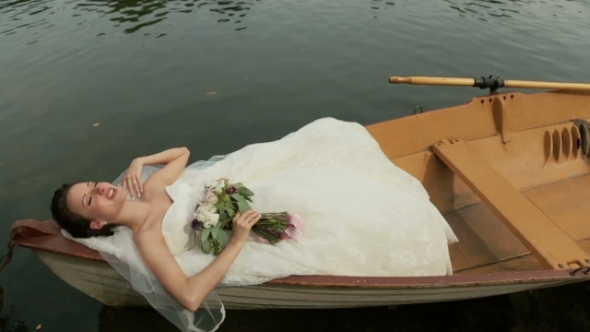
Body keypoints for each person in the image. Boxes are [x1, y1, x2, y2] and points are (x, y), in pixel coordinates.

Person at [51, 117, 458, 332]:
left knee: (329, 142)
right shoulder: (146, 238)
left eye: (93, 183)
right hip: (237, 228)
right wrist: (237, 239)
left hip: (238, 197)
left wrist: (140, 161)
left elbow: (183, 153)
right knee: (328, 218)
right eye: (91, 198)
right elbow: (190, 298)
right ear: (98, 220)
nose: (103, 187)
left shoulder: (150, 187)